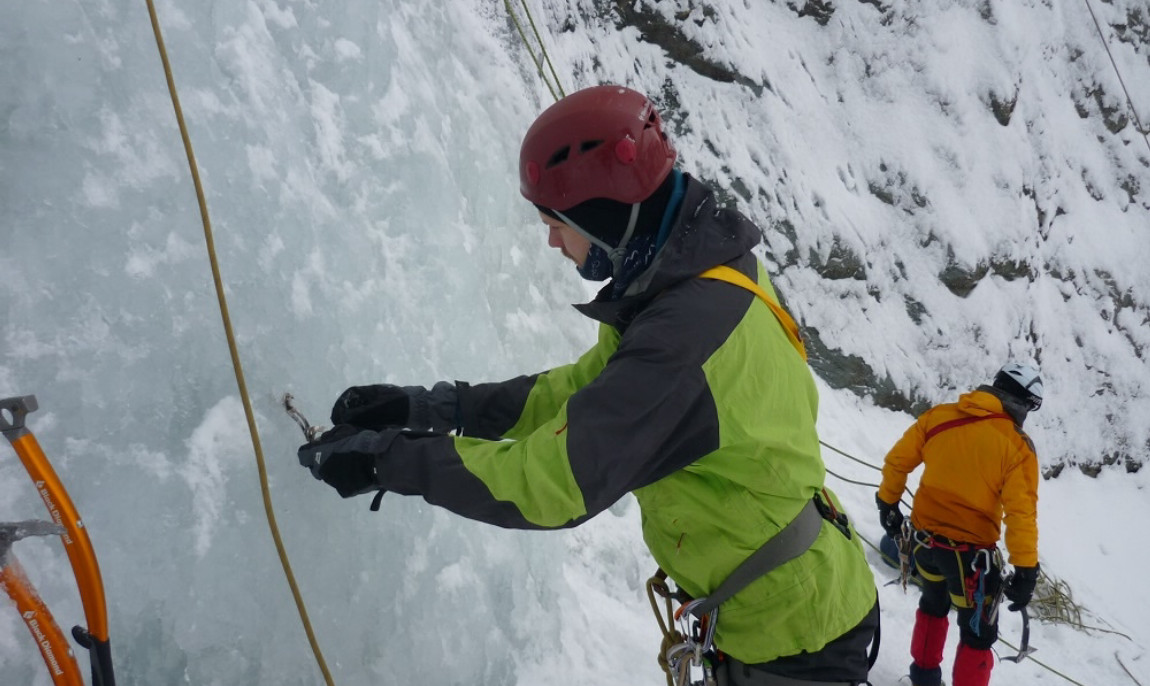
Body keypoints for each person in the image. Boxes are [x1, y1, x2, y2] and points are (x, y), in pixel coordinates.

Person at [298, 84, 878, 685]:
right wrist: (430, 405)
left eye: (557, 222)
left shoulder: (681, 333)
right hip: (785, 602)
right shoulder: (690, 277)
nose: (552, 240)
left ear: (603, 218)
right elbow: (576, 393)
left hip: (793, 634)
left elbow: (555, 482)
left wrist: (386, 463)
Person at [875, 363, 1042, 686]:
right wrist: (1025, 569)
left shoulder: (940, 417)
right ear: (1021, 402)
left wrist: (888, 504)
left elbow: (897, 461)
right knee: (978, 635)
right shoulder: (1017, 445)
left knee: (932, 605)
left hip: (923, 544)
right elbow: (1021, 513)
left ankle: (922, 678)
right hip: (971, 560)